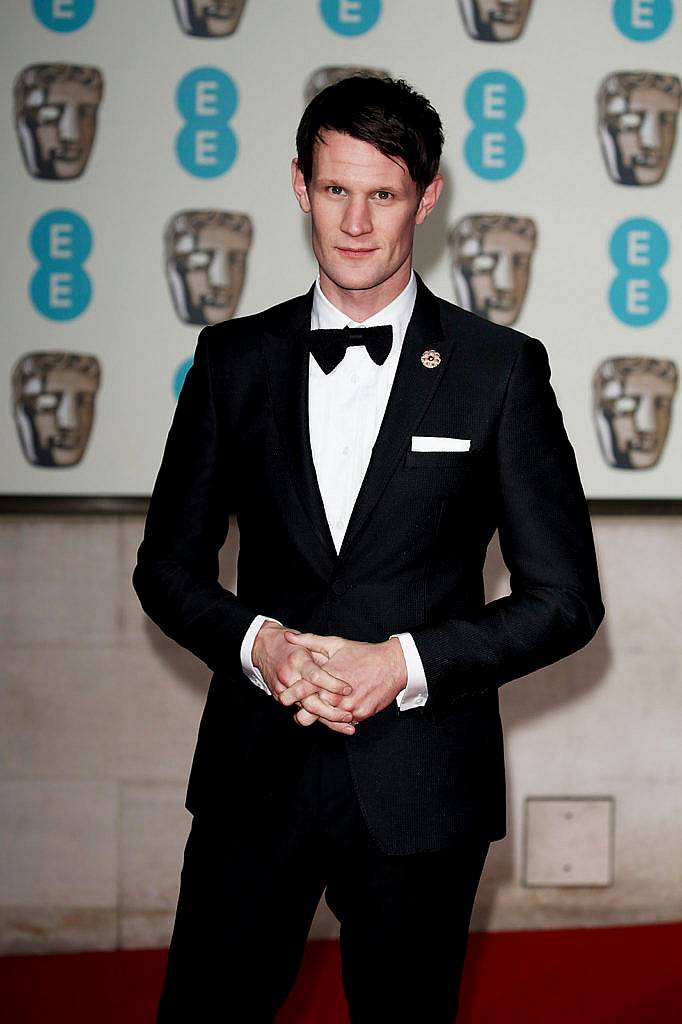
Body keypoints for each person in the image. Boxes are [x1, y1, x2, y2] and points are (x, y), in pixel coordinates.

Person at [133, 75, 604, 1023]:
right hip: (254, 775)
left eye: (383, 194)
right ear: (300, 186)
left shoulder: (500, 369)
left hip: (422, 783)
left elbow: (565, 597)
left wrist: (406, 663)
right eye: (336, 189)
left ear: (426, 198)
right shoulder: (232, 360)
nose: (355, 222)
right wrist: (258, 643)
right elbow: (165, 568)